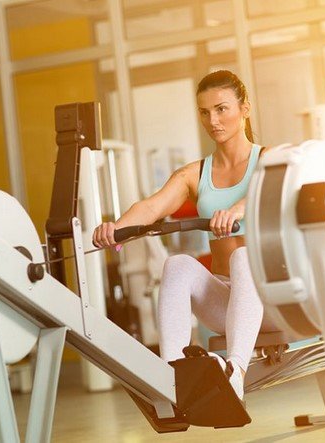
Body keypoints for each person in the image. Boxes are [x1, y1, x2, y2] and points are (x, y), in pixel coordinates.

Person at [93, 70, 279, 400]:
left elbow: (270, 190)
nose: (213, 120)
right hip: (229, 304)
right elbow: (151, 208)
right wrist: (116, 230)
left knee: (243, 255)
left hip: (272, 300)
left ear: (245, 109)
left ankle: (235, 373)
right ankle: (172, 376)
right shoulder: (196, 173)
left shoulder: (270, 159)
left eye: (222, 109)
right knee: (178, 265)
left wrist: (236, 210)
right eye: (205, 112)